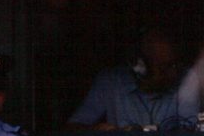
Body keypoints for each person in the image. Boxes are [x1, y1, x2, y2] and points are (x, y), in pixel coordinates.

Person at [69, 27, 197, 130]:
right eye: (164, 66)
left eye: (173, 64)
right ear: (139, 67)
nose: (173, 72)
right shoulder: (110, 81)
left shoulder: (186, 79)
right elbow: (73, 127)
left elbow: (190, 131)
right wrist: (94, 131)